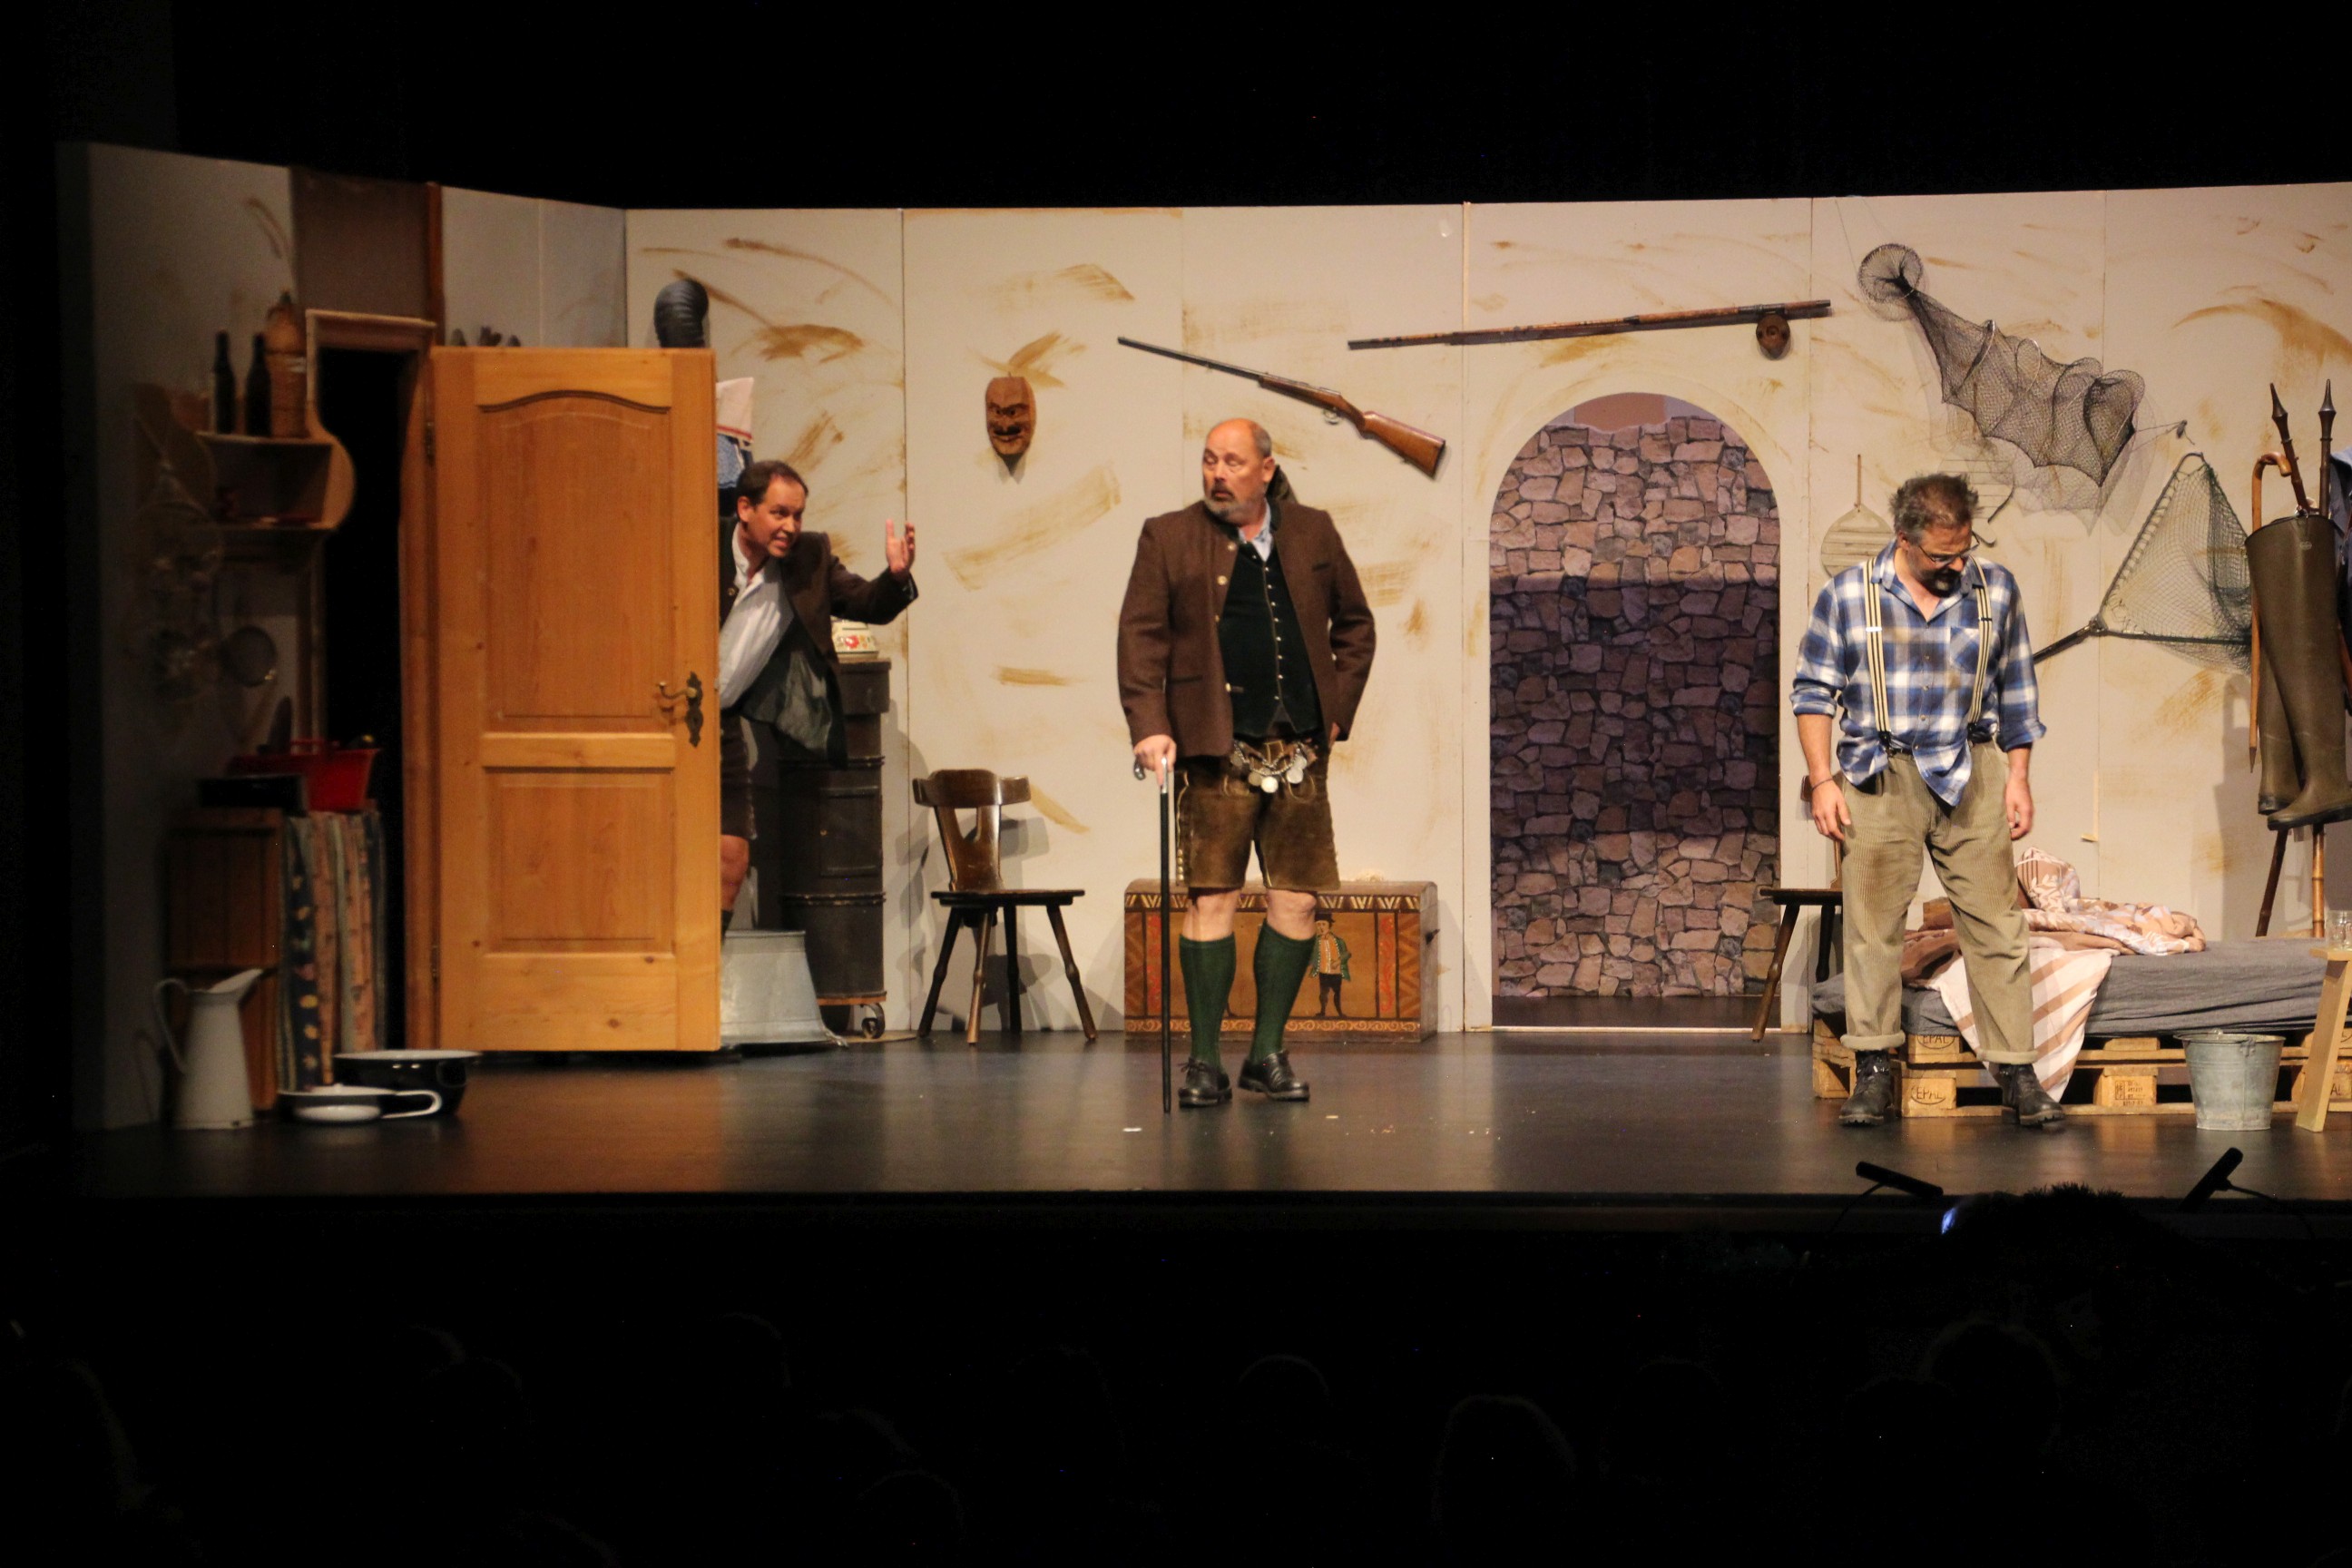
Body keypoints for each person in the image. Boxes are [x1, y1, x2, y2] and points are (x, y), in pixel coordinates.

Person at [1118, 418, 1376, 1107]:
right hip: (1215, 748)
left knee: (1298, 899)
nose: (1217, 473)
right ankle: (1204, 1061)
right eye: (1209, 460)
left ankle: (1265, 1053)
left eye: (1232, 462)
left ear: (1266, 469)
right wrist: (1150, 725)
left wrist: (1338, 707)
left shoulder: (1313, 531)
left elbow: (1355, 625)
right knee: (1213, 898)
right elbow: (1141, 636)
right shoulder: (1169, 536)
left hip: (1299, 751)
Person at [1790, 473, 2056, 1128]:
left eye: (1963, 551)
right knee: (1873, 929)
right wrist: (1822, 781)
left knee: (1997, 925)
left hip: (1972, 768)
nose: (1956, 566)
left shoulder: (1995, 589)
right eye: (1942, 556)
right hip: (1880, 773)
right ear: (1903, 538)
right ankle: (1874, 1067)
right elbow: (1813, 692)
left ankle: (2016, 1072)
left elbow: (2017, 688)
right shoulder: (1849, 594)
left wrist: (2018, 776)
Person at [719, 459, 916, 928]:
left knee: (730, 862)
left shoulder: (809, 558)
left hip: (722, 725)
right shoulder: (701, 544)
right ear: (745, 509)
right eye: (779, 513)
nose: (791, 527)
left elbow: (866, 603)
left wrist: (895, 577)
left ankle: (709, 969)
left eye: (798, 515)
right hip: (672, 715)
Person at [1312, 915, 1351, 1017]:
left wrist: (1338, 961)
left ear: (1329, 925)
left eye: (1323, 924)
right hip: (1323, 971)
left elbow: (1347, 954)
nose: (1321, 927)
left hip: (1336, 972)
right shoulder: (1316, 942)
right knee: (1323, 993)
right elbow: (1311, 955)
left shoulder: (1338, 941)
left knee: (1337, 993)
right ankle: (1322, 1011)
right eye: (1318, 924)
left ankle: (1339, 1012)